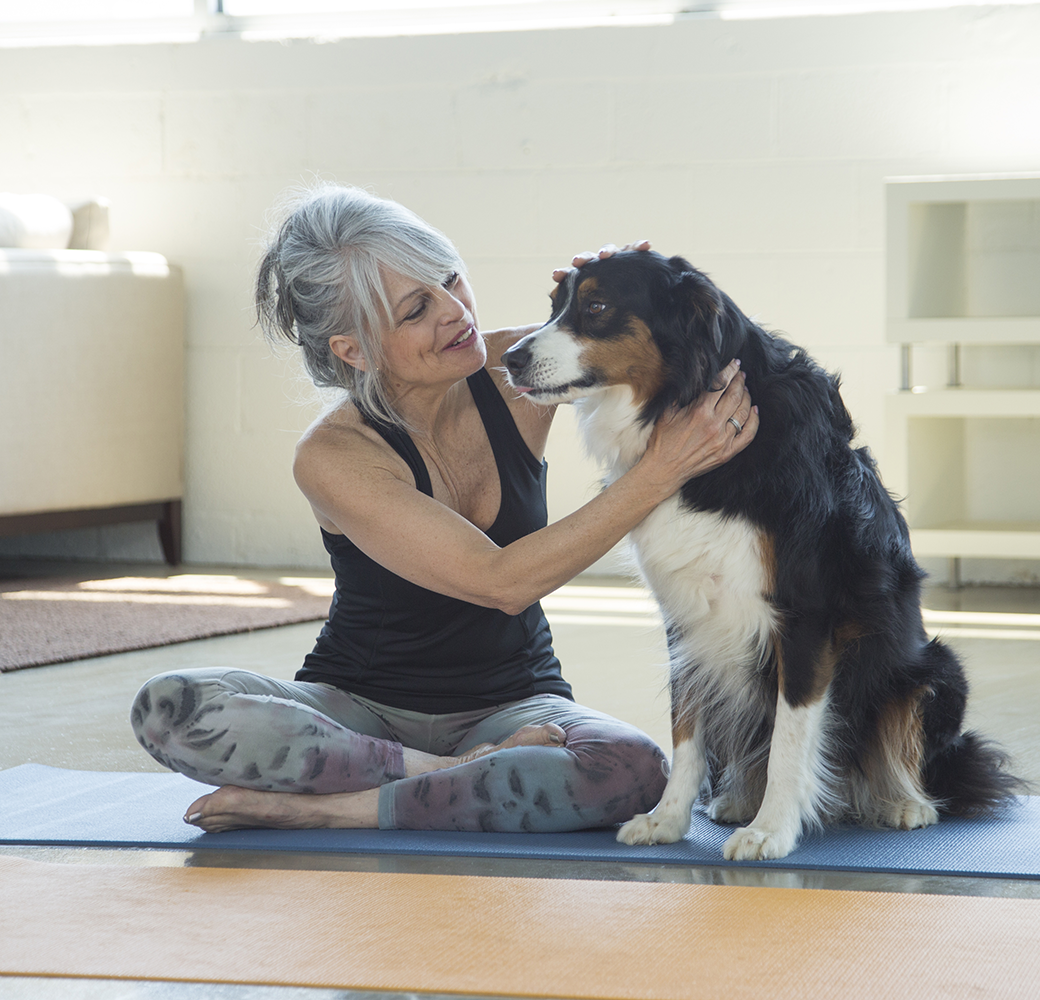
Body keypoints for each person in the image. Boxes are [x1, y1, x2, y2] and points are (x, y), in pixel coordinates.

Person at [130, 184, 758, 835]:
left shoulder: (518, 373)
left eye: (451, 278)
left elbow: (708, 353)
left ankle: (335, 811)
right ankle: (430, 774)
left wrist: (635, 290)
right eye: (416, 310)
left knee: (630, 768)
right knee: (170, 709)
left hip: (518, 710)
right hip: (357, 710)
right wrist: (660, 472)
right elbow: (502, 582)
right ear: (355, 349)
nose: (456, 312)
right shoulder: (336, 455)